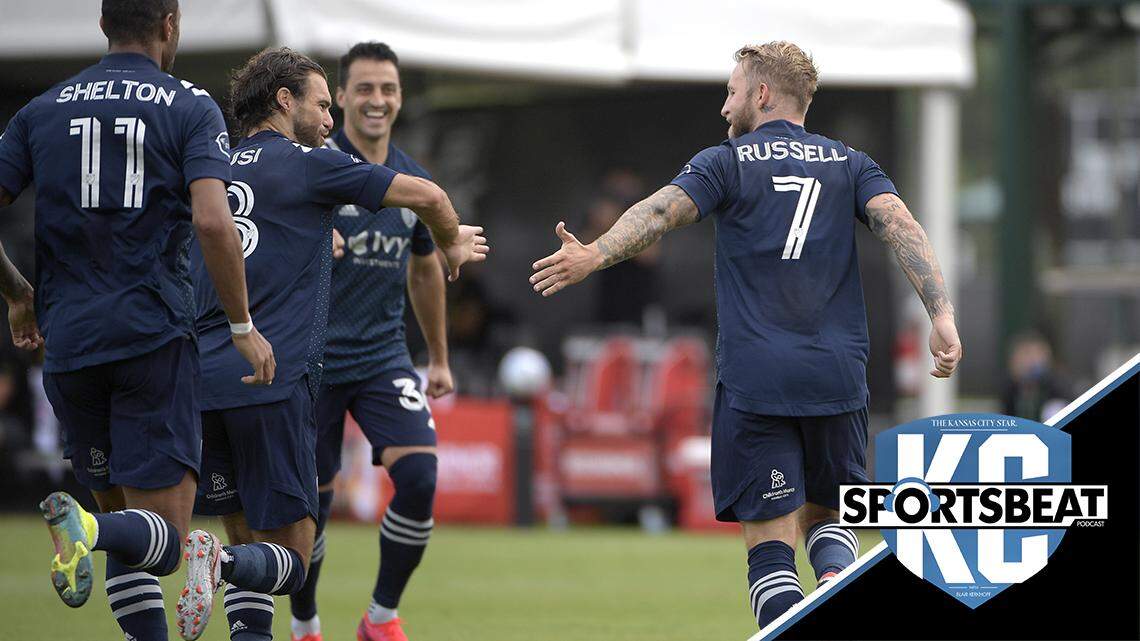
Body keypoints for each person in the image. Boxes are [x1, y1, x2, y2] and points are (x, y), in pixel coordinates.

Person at [530, 41, 962, 630]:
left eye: (732, 92)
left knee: (770, 550)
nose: (724, 105)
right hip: (837, 374)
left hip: (758, 380)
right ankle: (834, 580)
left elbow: (660, 212)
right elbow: (899, 224)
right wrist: (941, 311)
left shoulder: (726, 162)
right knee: (830, 520)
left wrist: (595, 253)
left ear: (761, 94)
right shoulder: (850, 162)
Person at [175, 47, 487, 641]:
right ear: (284, 100)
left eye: (388, 89)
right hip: (278, 375)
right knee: (289, 558)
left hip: (206, 377)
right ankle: (231, 571)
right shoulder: (315, 164)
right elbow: (432, 198)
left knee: (248, 531)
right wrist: (452, 241)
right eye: (324, 104)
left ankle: (364, 613)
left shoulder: (210, 168)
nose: (329, 118)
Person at [0, 2, 273, 640]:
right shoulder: (190, 106)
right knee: (167, 539)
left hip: (68, 344)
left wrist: (16, 294)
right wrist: (241, 325)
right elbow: (213, 220)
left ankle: (93, 529)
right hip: (152, 339)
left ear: (103, 25)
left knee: (131, 532)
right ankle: (87, 529)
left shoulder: (43, 109)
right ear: (170, 24)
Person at [286, 42, 453, 641]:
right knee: (313, 508)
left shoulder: (415, 181)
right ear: (340, 97)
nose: (376, 100)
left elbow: (425, 269)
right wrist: (309, 239)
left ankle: (380, 618)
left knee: (421, 478)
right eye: (364, 88)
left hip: (383, 357)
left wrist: (438, 358)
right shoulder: (313, 166)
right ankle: (305, 623)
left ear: (400, 97)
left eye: (387, 89)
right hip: (313, 362)